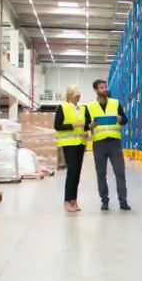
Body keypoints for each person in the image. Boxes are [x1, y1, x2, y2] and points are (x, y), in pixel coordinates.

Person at [85, 79, 130, 211]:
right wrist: (90, 126)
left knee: (120, 172)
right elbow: (86, 125)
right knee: (101, 173)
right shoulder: (90, 106)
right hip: (99, 144)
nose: (104, 89)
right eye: (101, 88)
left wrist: (121, 119)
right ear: (96, 90)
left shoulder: (115, 103)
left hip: (115, 143)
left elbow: (125, 120)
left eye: (105, 87)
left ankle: (123, 201)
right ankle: (104, 201)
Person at [54, 85, 87, 213]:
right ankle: (67, 200)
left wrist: (86, 132)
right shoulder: (62, 107)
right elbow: (57, 125)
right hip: (69, 143)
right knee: (72, 172)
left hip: (80, 143)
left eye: (79, 94)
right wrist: (73, 125)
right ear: (69, 95)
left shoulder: (82, 109)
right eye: (76, 94)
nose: (78, 96)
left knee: (77, 173)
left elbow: (85, 125)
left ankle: (74, 200)